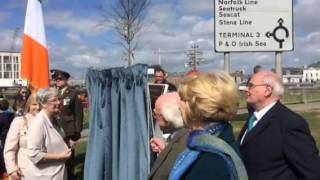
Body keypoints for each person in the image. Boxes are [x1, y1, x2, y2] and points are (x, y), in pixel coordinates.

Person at [239, 70, 320, 180]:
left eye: (251, 86)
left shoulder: (290, 124)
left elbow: (312, 172)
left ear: (267, 90)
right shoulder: (254, 118)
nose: (246, 90)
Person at [169, 72, 247, 180]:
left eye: (183, 99)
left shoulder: (211, 161)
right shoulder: (217, 142)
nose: (179, 105)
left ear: (197, 106)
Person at [26, 88, 71, 180]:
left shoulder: (54, 119)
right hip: (44, 176)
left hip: (57, 173)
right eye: (54, 100)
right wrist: (59, 156)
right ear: (43, 103)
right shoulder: (38, 123)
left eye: (59, 99)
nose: (59, 102)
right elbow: (33, 154)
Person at [51, 69, 83, 179]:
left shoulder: (73, 93)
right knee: (57, 159)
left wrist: (76, 134)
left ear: (66, 79)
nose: (57, 81)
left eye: (60, 79)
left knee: (69, 161)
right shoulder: (53, 92)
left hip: (68, 131)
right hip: (55, 130)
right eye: (56, 79)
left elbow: (78, 114)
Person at [148, 92, 188, 180]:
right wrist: (165, 150)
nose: (155, 117)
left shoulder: (185, 140)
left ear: (166, 117)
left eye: (156, 114)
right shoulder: (181, 136)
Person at [4, 94, 40, 180]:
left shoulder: (52, 122)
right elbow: (9, 148)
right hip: (24, 172)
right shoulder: (19, 121)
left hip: (46, 172)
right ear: (29, 105)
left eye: (40, 104)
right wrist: (12, 170)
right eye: (34, 104)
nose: (38, 107)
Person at [0, 99, 15, 178]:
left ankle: (5, 170)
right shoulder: (13, 115)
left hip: (3, 137)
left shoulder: (1, 117)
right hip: (12, 135)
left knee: (3, 152)